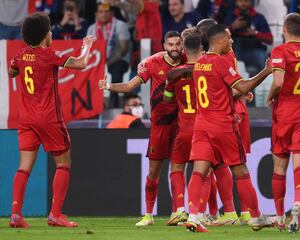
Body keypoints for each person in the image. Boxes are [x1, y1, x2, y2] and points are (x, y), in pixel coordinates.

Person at [8, 12, 94, 228]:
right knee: (64, 163)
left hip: (25, 119)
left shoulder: (20, 55)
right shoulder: (49, 54)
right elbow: (82, 64)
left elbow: (11, 72)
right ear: (45, 34)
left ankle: (16, 214)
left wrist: (22, 65)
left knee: (24, 166)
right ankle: (56, 214)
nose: (52, 32)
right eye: (49, 30)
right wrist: (87, 45)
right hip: (48, 118)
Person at [186, 24, 273, 233]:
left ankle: (193, 215)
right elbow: (242, 86)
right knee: (240, 170)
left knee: (199, 171)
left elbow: (219, 94)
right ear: (218, 41)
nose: (231, 41)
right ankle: (255, 216)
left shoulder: (199, 64)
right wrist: (267, 71)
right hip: (222, 125)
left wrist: (237, 95)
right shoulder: (221, 62)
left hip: (202, 123)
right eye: (228, 38)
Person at [99, 31, 184, 226]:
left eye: (177, 44)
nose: (174, 48)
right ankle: (148, 215)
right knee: (154, 171)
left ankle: (177, 213)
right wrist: (108, 86)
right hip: (160, 124)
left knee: (178, 168)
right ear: (164, 45)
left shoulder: (188, 58)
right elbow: (130, 86)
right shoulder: (152, 63)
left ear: (182, 45)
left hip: (181, 123)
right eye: (170, 44)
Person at [267, 13, 300, 233]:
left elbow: (278, 81)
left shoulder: (280, 51)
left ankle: (279, 216)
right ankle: (297, 202)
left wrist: (270, 95)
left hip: (285, 114)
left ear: (284, 29)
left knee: (279, 168)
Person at [164, 30, 202, 226]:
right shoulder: (207, 69)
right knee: (204, 171)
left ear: (184, 50)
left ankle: (179, 210)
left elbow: (167, 99)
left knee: (177, 167)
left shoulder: (175, 75)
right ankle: (201, 212)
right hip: (204, 128)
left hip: (185, 128)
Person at [87, 2, 130, 108]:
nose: (104, 14)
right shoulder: (91, 29)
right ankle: (92, 106)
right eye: (101, 12)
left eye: (107, 11)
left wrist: (106, 63)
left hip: (117, 60)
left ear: (112, 13)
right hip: (97, 61)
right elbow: (88, 50)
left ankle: (113, 104)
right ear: (96, 14)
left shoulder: (121, 25)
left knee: (116, 69)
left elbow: (123, 49)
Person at [224, 0, 273, 76]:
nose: (243, 3)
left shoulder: (259, 17)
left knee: (263, 57)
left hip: (254, 48)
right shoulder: (230, 16)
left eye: (246, 1)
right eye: (240, 1)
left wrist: (255, 33)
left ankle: (262, 84)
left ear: (251, 2)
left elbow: (270, 40)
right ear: (236, 2)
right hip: (235, 49)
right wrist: (233, 27)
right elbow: (221, 37)